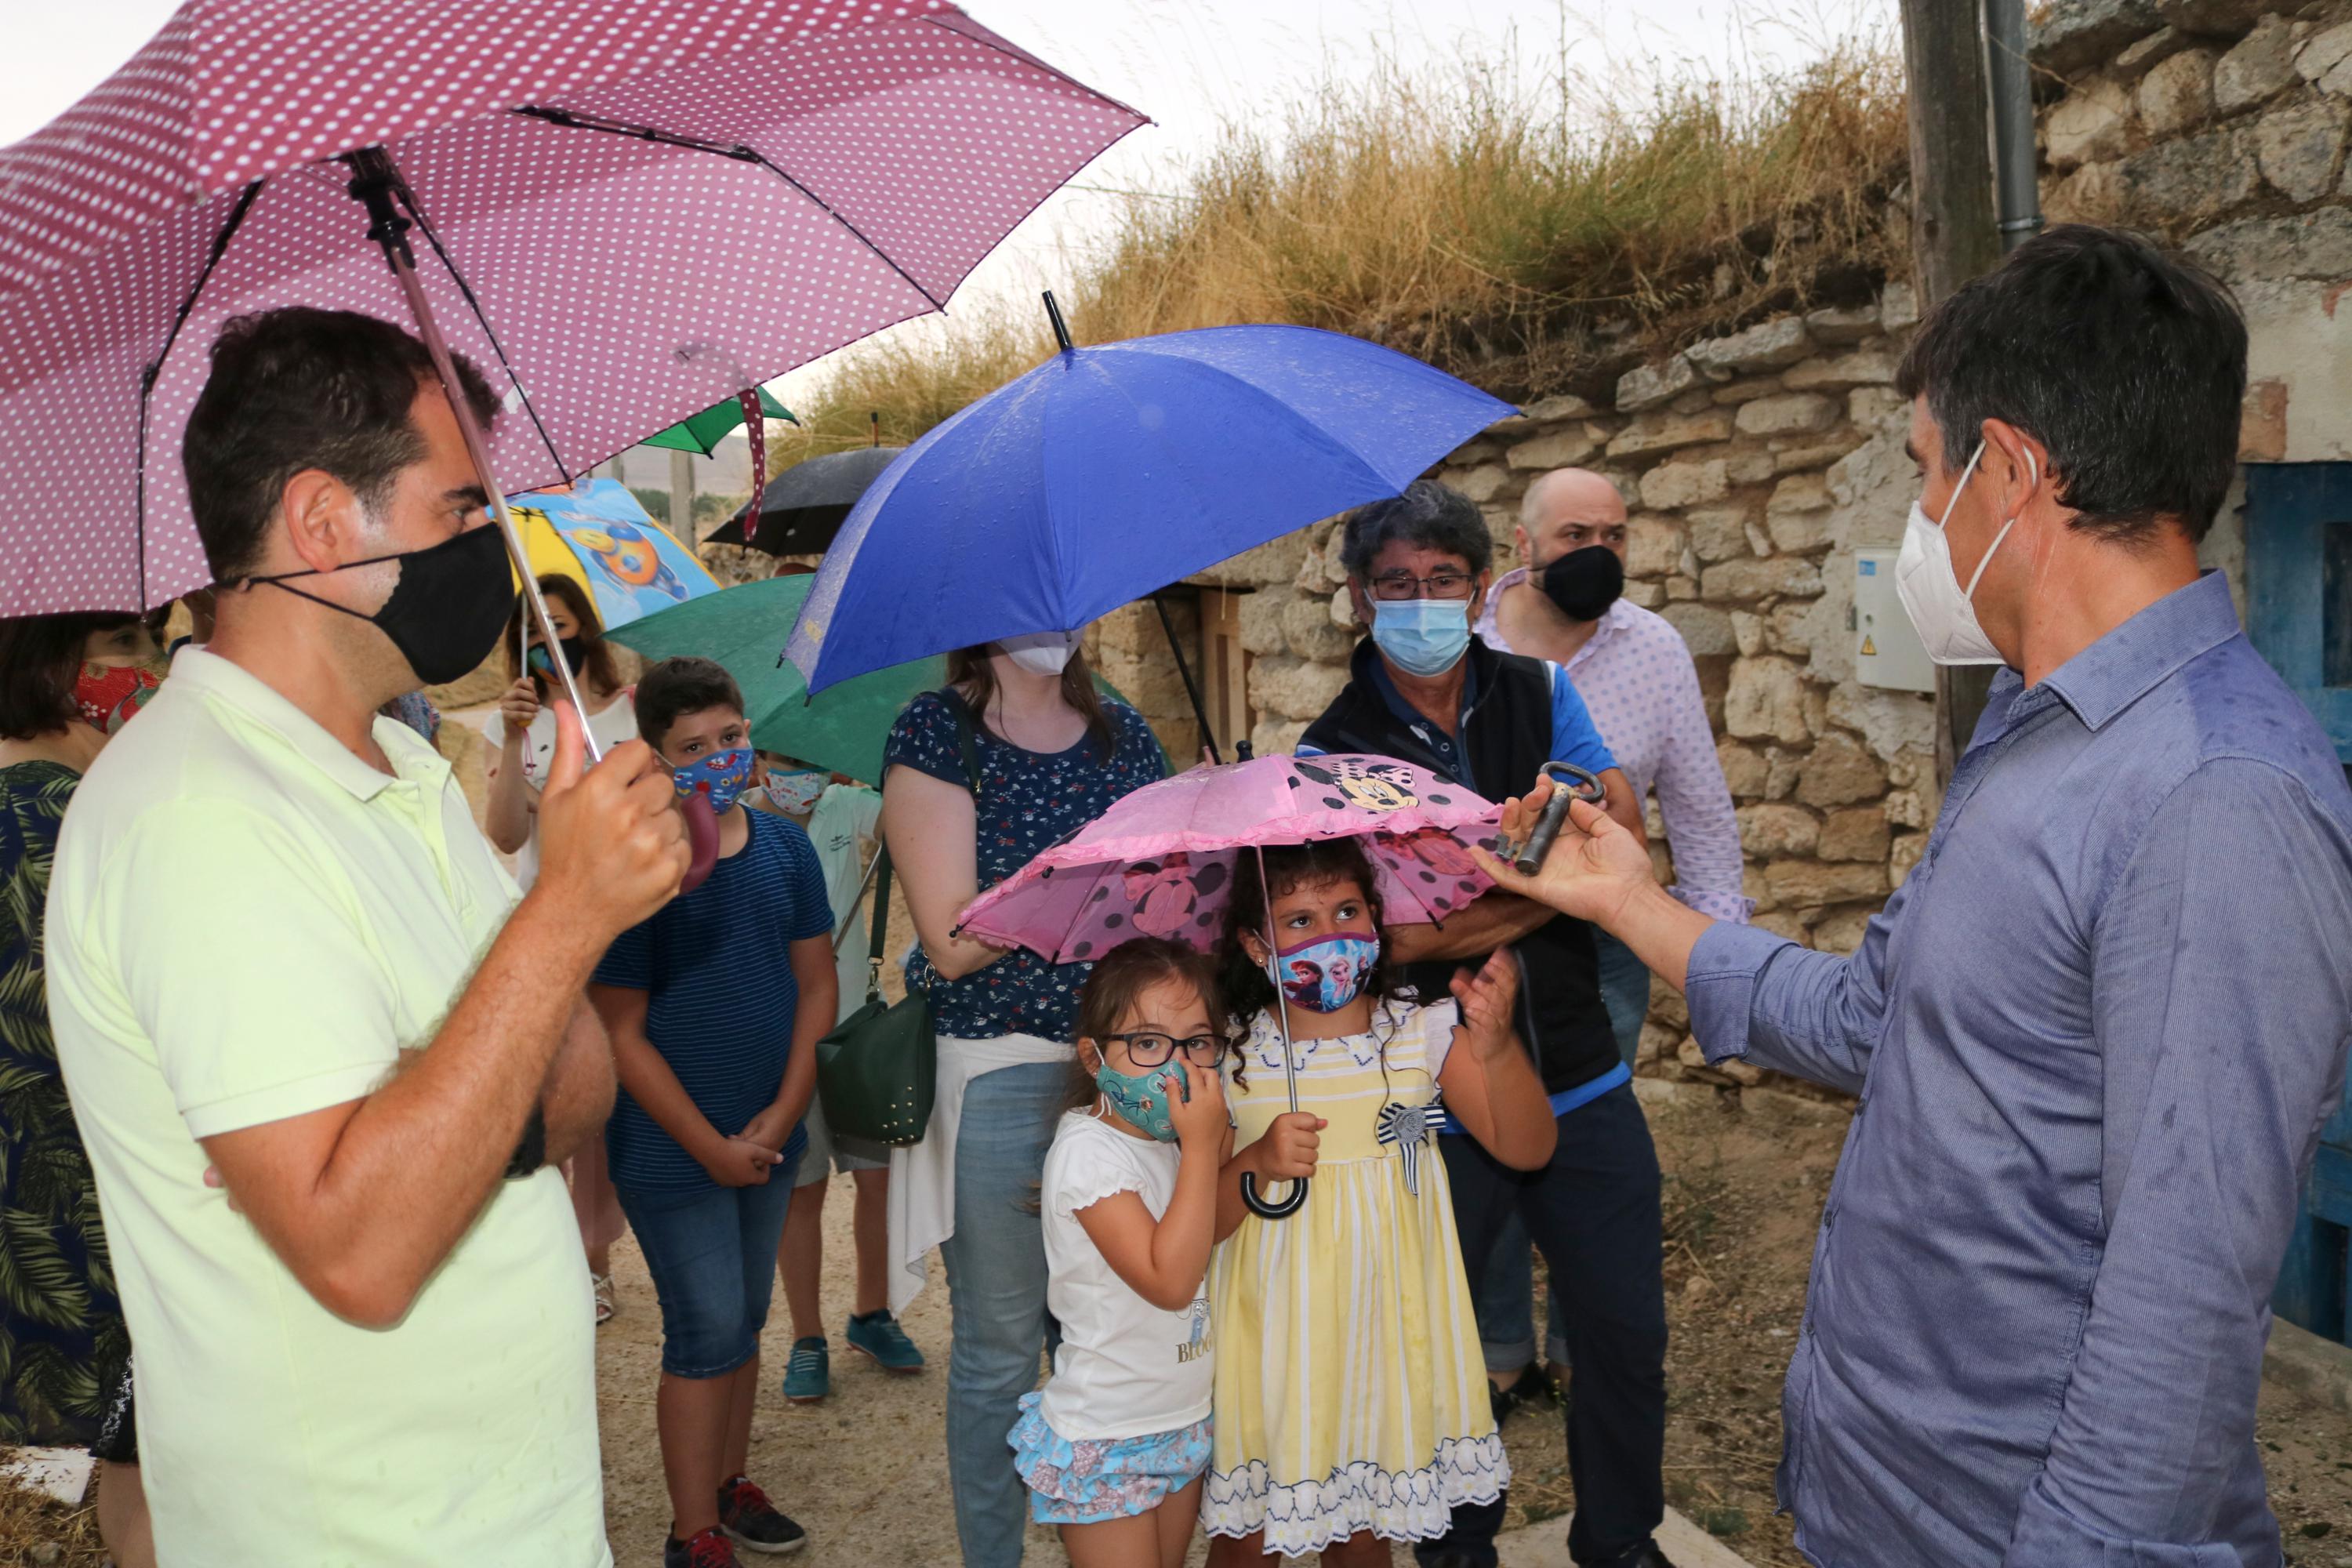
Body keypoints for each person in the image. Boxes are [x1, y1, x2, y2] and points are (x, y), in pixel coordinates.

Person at [1476, 225, 2352, 1567]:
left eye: (1926, 472)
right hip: (1889, 1504)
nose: (1921, 518)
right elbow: (1881, 1020)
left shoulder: (2213, 796)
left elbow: (2182, 1298)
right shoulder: (2036, 730)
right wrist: (1630, 902)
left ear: (2010, 472)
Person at [45, 305, 687, 1566]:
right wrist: (562, 915)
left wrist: (426, 1097)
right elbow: (363, 1245)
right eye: (460, 512)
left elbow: (578, 1087)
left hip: (506, 1519)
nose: (490, 550)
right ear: (324, 522)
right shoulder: (200, 814)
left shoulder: (396, 768)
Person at [1297, 480, 1676, 1568]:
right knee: (1439, 1346)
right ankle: (1457, 1547)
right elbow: (1383, 944)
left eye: (1443, 581)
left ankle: (1620, 1543)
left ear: (1477, 586)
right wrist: (1551, 888)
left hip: (1579, 1067)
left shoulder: (1540, 688)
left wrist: (1477, 910)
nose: (1422, 601)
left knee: (1622, 1332)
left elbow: (1626, 833)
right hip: (1427, 1096)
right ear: (1363, 601)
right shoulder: (1333, 750)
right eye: (1396, 584)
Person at [880, 628, 1167, 1567]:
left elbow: (1166, 911)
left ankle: (1106, 1538)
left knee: (1109, 1333)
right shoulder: (936, 732)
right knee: (1002, 1348)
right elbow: (954, 942)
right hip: (996, 1072)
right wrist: (1086, 871)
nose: (1057, 621)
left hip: (1119, 1077)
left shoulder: (1124, 736)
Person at [1469, 466, 1751, 1421]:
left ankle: (1581, 1341)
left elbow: (1702, 809)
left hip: (1611, 945)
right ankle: (1502, 1346)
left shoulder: (1655, 647)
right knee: (1491, 1128)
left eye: (1617, 534)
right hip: (1488, 937)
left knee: (1589, 1140)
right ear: (1523, 546)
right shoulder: (1460, 643)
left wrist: (1721, 967)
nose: (1599, 552)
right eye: (1576, 533)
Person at [1203, 839, 1559, 1563]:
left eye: (1345, 910)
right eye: (1298, 920)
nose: (1329, 935)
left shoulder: (1415, 1035)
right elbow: (1199, 1220)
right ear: (1252, 943)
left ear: (1376, 920)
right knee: (1248, 1540)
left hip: (1381, 1335)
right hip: (1267, 1339)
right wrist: (1255, 1162)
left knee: (1364, 1534)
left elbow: (1528, 1148)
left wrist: (1494, 1052)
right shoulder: (1228, 1057)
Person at [588, 657, 837, 1568]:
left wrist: (779, 1117)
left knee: (745, 1316)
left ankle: (729, 1484)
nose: (720, 755)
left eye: (730, 736)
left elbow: (817, 987)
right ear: (656, 761)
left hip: (767, 1137)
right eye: (693, 747)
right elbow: (621, 1029)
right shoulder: (647, 874)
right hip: (668, 1150)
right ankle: (690, 1531)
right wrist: (707, 1144)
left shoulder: (786, 849)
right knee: (703, 1328)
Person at [0, 613, 153, 1568]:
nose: (153, 670)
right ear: (64, 667)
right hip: (105, 1208)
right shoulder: (79, 817)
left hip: (29, 1206)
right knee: (156, 1465)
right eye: (131, 646)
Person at [1011, 938, 1228, 1568]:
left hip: (1180, 1420)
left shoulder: (1166, 1142)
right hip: (1107, 1435)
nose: (1176, 1065)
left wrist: (1253, 1161)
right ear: (1094, 1056)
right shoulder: (1090, 1154)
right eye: (1149, 1043)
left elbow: (1203, 1231)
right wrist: (1204, 1147)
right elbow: (1169, 1281)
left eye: (1197, 1042)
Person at [485, 572, 637, 1320]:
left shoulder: (627, 715)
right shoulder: (510, 722)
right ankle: (575, 1263)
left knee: (613, 1101)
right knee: (559, 1102)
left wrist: (574, 803)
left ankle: (611, 1253)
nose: (551, 640)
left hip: (622, 926)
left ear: (588, 628)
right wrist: (513, 741)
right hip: (546, 926)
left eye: (563, 623)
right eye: (535, 628)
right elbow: (508, 833)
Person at [756, 756, 925, 1403]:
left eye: (810, 763)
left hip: (855, 1038)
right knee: (801, 1191)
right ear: (760, 755)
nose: (796, 774)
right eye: (783, 760)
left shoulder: (847, 807)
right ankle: (806, 1337)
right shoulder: (736, 817)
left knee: (878, 1182)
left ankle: (873, 1313)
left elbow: (908, 827)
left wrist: (894, 777)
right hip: (778, 1041)